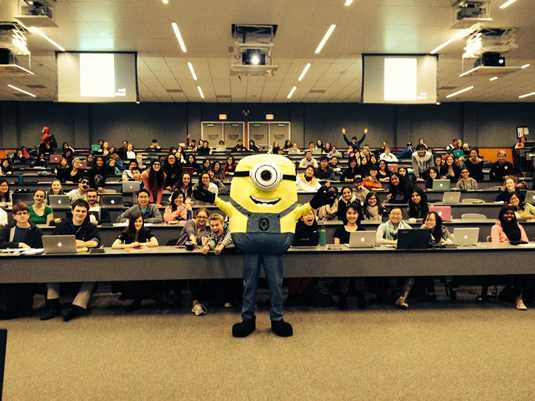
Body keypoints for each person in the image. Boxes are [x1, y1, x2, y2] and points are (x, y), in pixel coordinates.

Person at [41, 199, 101, 321]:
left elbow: (94, 243)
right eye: (77, 210)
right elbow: (52, 242)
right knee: (49, 273)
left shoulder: (90, 226)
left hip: (84, 263)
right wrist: (82, 243)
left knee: (93, 276)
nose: (80, 213)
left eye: (83, 211)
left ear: (87, 213)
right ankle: (53, 306)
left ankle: (76, 307)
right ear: (72, 211)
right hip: (62, 261)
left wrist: (71, 242)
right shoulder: (62, 225)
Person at [0, 202, 44, 317]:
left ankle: (27, 306)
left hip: (29, 264)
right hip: (9, 263)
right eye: (19, 214)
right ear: (14, 216)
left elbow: (40, 249)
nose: (23, 216)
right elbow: (0, 243)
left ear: (29, 215)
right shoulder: (7, 229)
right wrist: (19, 244)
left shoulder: (36, 231)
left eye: (25, 213)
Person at [112, 211, 159, 311]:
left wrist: (141, 244)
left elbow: (155, 243)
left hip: (144, 261)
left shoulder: (146, 230)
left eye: (140, 221)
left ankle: (138, 300)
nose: (138, 224)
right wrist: (130, 245)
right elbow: (114, 245)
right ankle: (139, 298)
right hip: (130, 261)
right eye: (135, 222)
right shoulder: (126, 231)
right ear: (131, 222)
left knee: (141, 273)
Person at [491, 206, 530, 310]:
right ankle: (518, 298)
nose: (509, 216)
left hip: (519, 256)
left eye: (512, 213)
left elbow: (525, 242)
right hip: (503, 257)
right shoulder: (496, 228)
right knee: (519, 268)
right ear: (501, 215)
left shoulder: (519, 226)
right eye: (506, 213)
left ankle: (528, 295)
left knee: (529, 266)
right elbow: (496, 245)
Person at [376, 208, 415, 309]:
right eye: (393, 214)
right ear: (389, 215)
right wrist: (394, 242)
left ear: (402, 216)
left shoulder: (406, 226)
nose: (395, 216)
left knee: (412, 272)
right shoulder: (383, 226)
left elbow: (413, 239)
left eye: (398, 214)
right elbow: (378, 240)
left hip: (404, 258)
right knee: (392, 272)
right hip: (387, 258)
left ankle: (402, 298)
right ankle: (398, 296)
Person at [175, 208, 211, 316]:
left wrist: (204, 243)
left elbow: (204, 241)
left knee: (194, 272)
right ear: (196, 217)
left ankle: (195, 301)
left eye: (204, 217)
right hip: (179, 251)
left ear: (207, 219)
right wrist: (193, 239)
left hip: (193, 257)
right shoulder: (190, 222)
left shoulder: (207, 231)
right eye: (199, 216)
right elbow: (190, 232)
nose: (201, 219)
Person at [333, 202, 367, 310]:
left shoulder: (362, 230)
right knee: (346, 270)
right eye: (349, 213)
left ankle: (361, 297)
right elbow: (336, 247)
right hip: (343, 260)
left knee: (359, 269)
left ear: (358, 215)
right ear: (345, 214)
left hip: (359, 260)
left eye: (354, 213)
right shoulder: (339, 230)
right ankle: (342, 298)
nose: (352, 216)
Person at [286, 210, 319, 306]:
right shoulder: (295, 228)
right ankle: (291, 295)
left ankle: (298, 294)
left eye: (311, 214)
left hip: (311, 258)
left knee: (311, 273)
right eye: (306, 214)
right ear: (301, 218)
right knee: (293, 272)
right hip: (295, 257)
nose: (310, 217)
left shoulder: (315, 228)